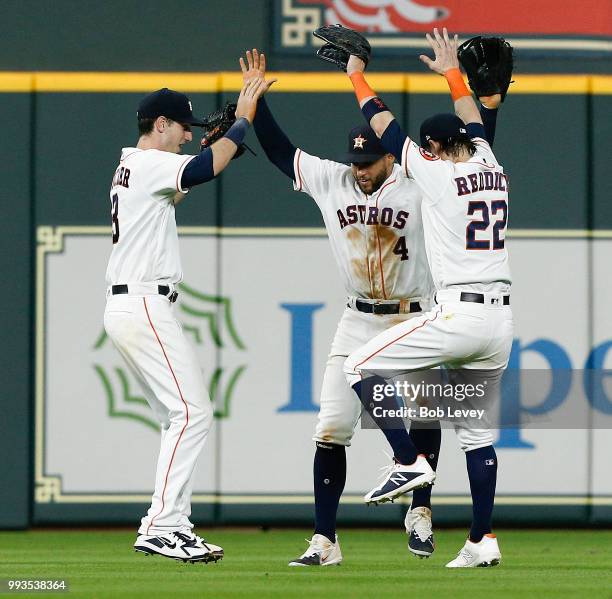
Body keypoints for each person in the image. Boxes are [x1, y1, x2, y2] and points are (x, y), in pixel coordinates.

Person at [240, 48, 500, 566]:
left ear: (390, 156)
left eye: (370, 161)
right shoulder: (335, 179)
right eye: (356, 161)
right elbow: (280, 153)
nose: (360, 171)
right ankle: (325, 540)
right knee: (332, 425)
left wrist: (483, 106)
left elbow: (471, 154)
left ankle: (419, 509)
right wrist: (256, 108)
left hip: (416, 310)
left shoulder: (419, 178)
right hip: (357, 316)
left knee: (428, 412)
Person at [342, 28, 512, 568]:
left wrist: (356, 77)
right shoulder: (490, 162)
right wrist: (452, 76)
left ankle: (407, 458)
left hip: (459, 313)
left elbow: (384, 127)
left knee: (360, 364)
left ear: (436, 149)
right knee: (478, 438)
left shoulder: (436, 175)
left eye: (429, 146)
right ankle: (482, 540)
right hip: (499, 323)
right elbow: (475, 119)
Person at [104, 78, 270, 563]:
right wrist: (242, 121)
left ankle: (172, 524)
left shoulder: (132, 167)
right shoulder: (150, 162)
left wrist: (215, 150)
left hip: (131, 305)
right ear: (160, 124)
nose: (185, 135)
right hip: (143, 304)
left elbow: (181, 188)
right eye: (181, 127)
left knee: (176, 417)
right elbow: (206, 168)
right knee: (193, 413)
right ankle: (161, 525)